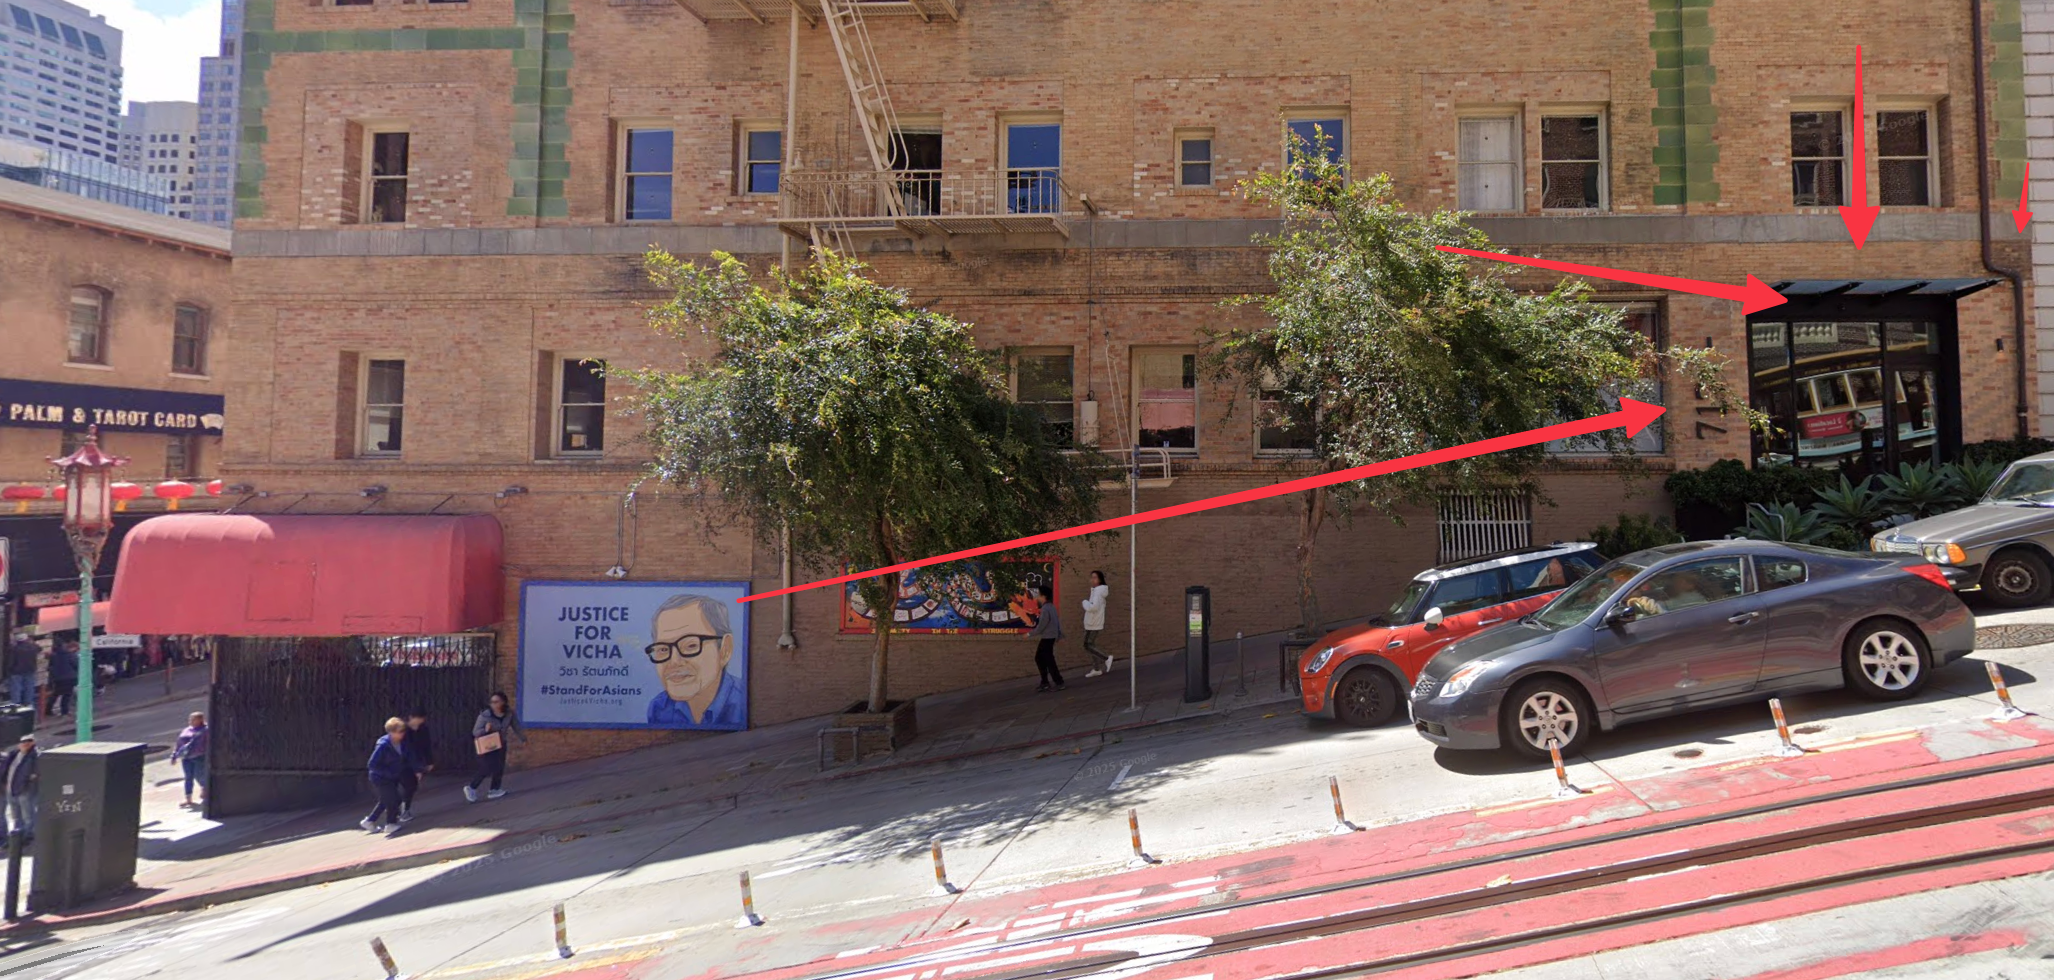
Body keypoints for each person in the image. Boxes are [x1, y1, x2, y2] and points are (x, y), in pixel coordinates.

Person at [642, 594, 747, 728]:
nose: (674, 661)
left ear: (724, 650)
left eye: (691, 645)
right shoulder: (659, 708)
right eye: (663, 649)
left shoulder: (745, 702)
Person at [465, 692, 525, 803]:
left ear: (503, 702)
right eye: (492, 702)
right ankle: (471, 787)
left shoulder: (509, 713)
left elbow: (515, 725)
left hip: (500, 743)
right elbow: (475, 732)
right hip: (486, 745)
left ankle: (494, 789)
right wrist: (486, 730)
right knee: (487, 767)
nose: (494, 704)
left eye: (496, 701)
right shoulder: (485, 715)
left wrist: (523, 738)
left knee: (499, 767)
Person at [362, 717, 408, 835]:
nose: (403, 733)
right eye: (400, 731)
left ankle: (370, 821)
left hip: (391, 777)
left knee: (386, 799)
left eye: (403, 730)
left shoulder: (400, 742)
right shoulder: (383, 746)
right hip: (381, 778)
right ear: (391, 732)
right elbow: (372, 764)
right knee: (394, 799)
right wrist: (389, 774)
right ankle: (390, 824)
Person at [1025, 584, 1065, 693]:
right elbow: (1057, 622)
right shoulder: (1051, 607)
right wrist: (1060, 635)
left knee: (1047, 659)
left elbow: (1041, 626)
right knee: (1040, 658)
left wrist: (1030, 634)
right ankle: (1045, 682)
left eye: (1038, 595)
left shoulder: (1045, 609)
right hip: (1050, 637)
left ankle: (1058, 682)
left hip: (1048, 637)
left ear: (1043, 596)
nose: (1037, 597)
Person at [398, 708, 435, 822]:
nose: (420, 721)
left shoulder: (423, 729)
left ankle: (403, 808)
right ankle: (402, 810)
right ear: (411, 717)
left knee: (412, 785)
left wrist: (429, 761)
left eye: (422, 719)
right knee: (408, 785)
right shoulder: (403, 730)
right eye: (418, 719)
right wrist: (417, 768)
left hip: (415, 760)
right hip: (402, 761)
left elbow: (426, 745)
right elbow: (408, 750)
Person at [2, 734, 36, 844]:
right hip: (11, 789)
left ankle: (28, 837)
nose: (25, 744)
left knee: (28, 816)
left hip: (24, 790)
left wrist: (29, 782)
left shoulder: (34, 756)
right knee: (16, 816)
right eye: (23, 742)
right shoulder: (14, 755)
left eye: (28, 741)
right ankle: (18, 837)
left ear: (32, 743)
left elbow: (36, 774)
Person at [171, 711, 209, 809]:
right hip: (186, 758)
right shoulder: (186, 730)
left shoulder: (206, 730)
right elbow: (179, 744)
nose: (190, 721)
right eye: (190, 719)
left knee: (199, 775)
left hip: (199, 757)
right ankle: (188, 799)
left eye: (193, 719)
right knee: (188, 777)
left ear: (200, 720)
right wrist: (174, 755)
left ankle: (205, 789)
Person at [1081, 571, 1113, 677]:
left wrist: (1084, 602)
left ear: (1100, 579)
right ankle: (1096, 668)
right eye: (1092, 577)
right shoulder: (1097, 591)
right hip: (1092, 621)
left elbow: (1093, 607)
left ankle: (1106, 658)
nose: (1092, 580)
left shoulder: (1098, 592)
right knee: (1091, 644)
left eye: (1095, 577)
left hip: (1094, 622)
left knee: (1087, 644)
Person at [4, 634, 38, 707]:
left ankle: (16, 705)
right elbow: (39, 648)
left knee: (16, 689)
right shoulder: (33, 647)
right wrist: (32, 642)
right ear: (26, 639)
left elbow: (11, 661)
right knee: (29, 688)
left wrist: (8, 670)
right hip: (30, 670)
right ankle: (28, 703)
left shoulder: (14, 649)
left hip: (16, 671)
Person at [47, 640, 78, 717]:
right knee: (67, 695)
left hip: (58, 678)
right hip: (69, 677)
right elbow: (76, 665)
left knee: (56, 694)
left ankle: (48, 709)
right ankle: (64, 711)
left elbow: (50, 666)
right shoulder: (70, 655)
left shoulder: (54, 656)